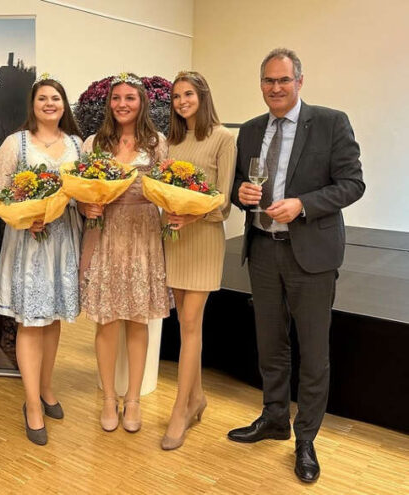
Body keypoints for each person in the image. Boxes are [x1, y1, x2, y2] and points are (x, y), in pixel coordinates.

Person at [228, 48, 364, 482]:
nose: (276, 88)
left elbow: (353, 184)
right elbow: (238, 185)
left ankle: (306, 437)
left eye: (284, 80)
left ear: (299, 82)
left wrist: (303, 204)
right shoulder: (250, 130)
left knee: (313, 351)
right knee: (270, 344)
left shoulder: (330, 122)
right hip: (264, 249)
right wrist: (241, 196)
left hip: (312, 252)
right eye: (268, 81)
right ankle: (273, 419)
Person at [0, 74, 83, 445]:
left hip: (64, 239)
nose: (49, 104)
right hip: (30, 241)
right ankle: (30, 404)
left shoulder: (76, 143)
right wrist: (28, 215)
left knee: (53, 316)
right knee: (31, 320)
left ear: (64, 105)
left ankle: (46, 388)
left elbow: (85, 186)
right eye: (42, 98)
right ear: (33, 105)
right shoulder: (16, 144)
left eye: (55, 98)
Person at [79, 72, 169, 434]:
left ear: (141, 102)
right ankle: (107, 399)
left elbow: (166, 185)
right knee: (107, 319)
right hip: (108, 232)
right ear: (108, 103)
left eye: (129, 97)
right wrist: (88, 207)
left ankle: (132, 399)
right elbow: (80, 189)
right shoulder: (94, 143)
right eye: (116, 98)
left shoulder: (157, 141)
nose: (122, 104)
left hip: (144, 232)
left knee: (138, 317)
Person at [160, 71, 236, 450]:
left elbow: (223, 199)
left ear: (202, 96)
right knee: (186, 323)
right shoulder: (172, 140)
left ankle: (180, 411)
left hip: (204, 238)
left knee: (190, 324)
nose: (181, 101)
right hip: (174, 238)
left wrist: (193, 215)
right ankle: (198, 397)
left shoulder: (223, 137)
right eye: (176, 96)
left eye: (188, 94)